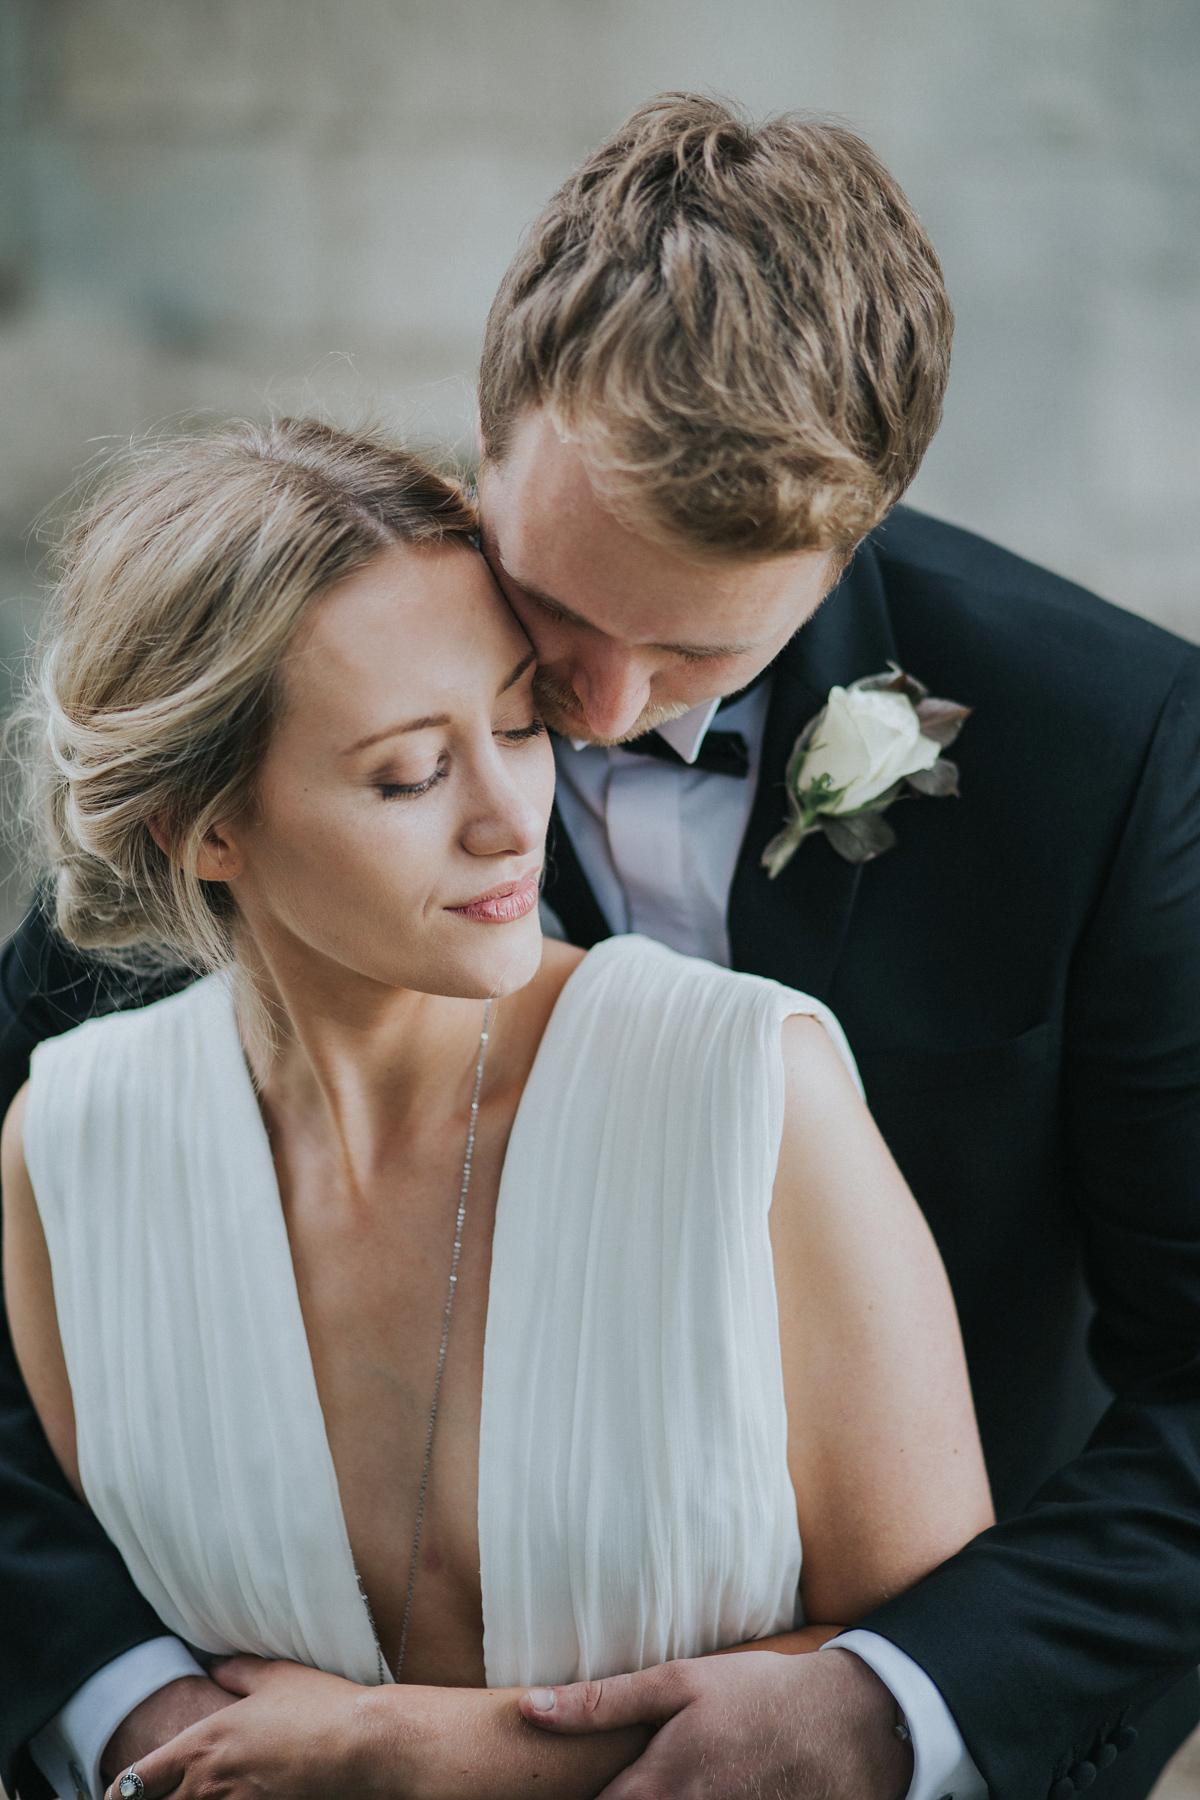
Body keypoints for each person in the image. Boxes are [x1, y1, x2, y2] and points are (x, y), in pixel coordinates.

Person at [2, 88, 1199, 1800]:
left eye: (697, 650)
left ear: (848, 534)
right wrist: (127, 1709)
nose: (597, 711)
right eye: (552, 614)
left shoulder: (1114, 744)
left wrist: (893, 1706)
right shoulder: (311, 650)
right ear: (494, 437)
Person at [1, 417, 992, 1800]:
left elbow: (924, 1684)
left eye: (522, 723)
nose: (510, 816)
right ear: (203, 826)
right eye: (409, 773)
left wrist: (425, 1757)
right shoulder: (69, 1146)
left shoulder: (744, 1094)